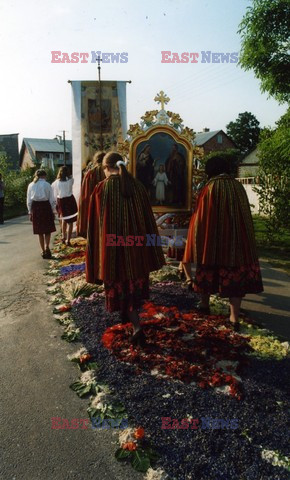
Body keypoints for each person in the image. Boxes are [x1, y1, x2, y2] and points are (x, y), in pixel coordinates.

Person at [86, 152, 165, 346]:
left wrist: (95, 252)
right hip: (136, 247)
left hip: (114, 250)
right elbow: (148, 219)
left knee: (122, 285)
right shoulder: (138, 187)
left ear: (106, 168)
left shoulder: (102, 188)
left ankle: (137, 327)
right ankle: (128, 317)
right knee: (132, 284)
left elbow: (95, 226)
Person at [182, 154, 263, 330]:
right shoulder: (238, 187)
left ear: (210, 171)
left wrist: (195, 240)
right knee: (235, 279)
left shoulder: (208, 188)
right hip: (236, 243)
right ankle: (234, 319)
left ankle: (204, 305)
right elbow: (245, 217)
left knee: (206, 271)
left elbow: (200, 219)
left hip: (212, 243)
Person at [27, 169, 56, 259]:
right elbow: (52, 199)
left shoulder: (31, 185)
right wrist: (53, 210)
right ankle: (47, 247)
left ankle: (43, 250)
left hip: (36, 208)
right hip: (46, 207)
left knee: (40, 231)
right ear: (44, 176)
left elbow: (29, 200)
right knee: (47, 229)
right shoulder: (47, 185)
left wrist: (30, 211)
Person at [77, 151, 106, 237]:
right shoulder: (108, 170)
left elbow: (85, 194)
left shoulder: (90, 173)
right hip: (107, 202)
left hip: (93, 204)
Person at [52, 166, 78, 246]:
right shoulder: (70, 180)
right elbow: (71, 178)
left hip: (61, 200)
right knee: (70, 222)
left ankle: (63, 237)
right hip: (69, 200)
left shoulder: (56, 182)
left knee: (64, 219)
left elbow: (54, 192)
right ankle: (68, 240)